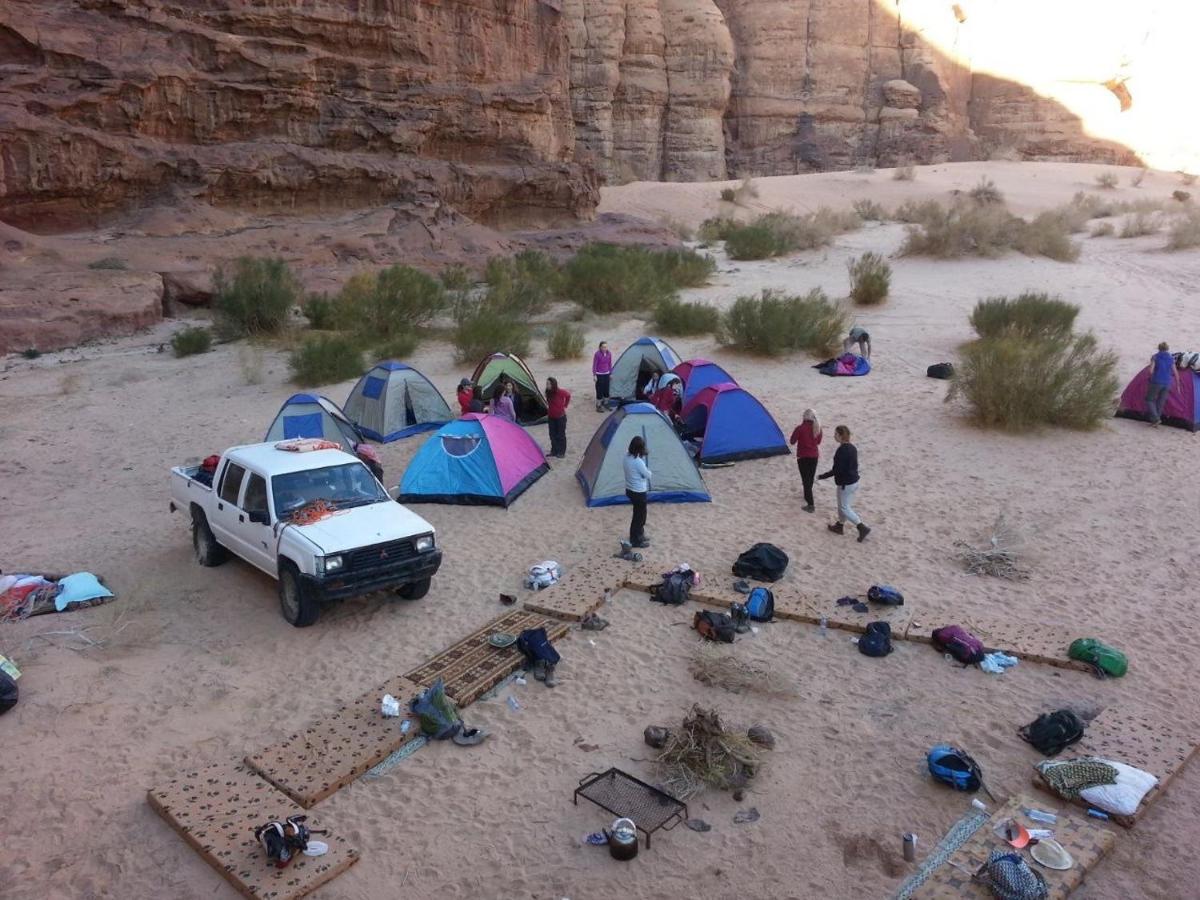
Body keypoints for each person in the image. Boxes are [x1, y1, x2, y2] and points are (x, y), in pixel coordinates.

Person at [818, 425, 870, 542]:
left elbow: (837, 470)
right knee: (843, 505)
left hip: (845, 483)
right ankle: (840, 526)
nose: (834, 436)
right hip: (853, 481)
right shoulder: (852, 447)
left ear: (841, 436)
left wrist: (822, 476)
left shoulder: (842, 450)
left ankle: (861, 527)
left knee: (844, 507)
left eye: (836, 434)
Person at [789, 408, 823, 513]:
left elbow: (792, 441)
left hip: (803, 456)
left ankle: (811, 504)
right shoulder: (818, 428)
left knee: (805, 479)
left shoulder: (800, 428)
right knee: (810, 478)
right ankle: (807, 495)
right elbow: (818, 442)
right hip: (814, 456)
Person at [623, 435, 651, 548]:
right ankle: (636, 540)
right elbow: (648, 475)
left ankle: (640, 534)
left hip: (630, 489)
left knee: (640, 514)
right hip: (638, 492)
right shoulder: (638, 462)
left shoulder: (626, 457)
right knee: (639, 516)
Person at [1145, 341, 1179, 427]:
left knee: (1149, 399)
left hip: (1156, 381)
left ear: (1159, 348)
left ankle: (1156, 419)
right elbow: (1175, 372)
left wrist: (1152, 374)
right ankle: (1155, 422)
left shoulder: (1155, 357)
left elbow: (1151, 371)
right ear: (1167, 348)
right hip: (1167, 382)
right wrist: (1178, 384)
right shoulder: (1171, 358)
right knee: (1160, 402)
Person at [546, 377, 571, 458]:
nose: (547, 385)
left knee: (560, 435)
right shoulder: (548, 392)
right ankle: (554, 451)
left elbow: (568, 395)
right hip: (551, 417)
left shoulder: (560, 392)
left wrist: (565, 405)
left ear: (553, 384)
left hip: (560, 417)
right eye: (547, 384)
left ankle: (561, 452)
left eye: (549, 384)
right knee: (552, 434)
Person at [593, 341, 613, 412]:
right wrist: (594, 375)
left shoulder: (609, 353)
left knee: (606, 389)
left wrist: (610, 373)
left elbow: (610, 364)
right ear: (600, 347)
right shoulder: (597, 354)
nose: (605, 348)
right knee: (599, 390)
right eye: (604, 347)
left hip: (607, 374)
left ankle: (606, 403)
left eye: (606, 347)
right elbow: (594, 365)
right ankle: (598, 405)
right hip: (599, 374)